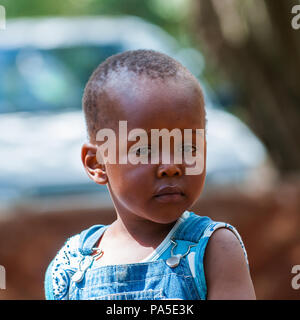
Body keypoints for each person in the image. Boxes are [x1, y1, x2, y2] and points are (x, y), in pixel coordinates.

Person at [44, 49, 256, 300]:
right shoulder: (71, 266)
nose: (171, 166)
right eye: (144, 150)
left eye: (187, 147)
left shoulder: (213, 249)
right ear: (97, 163)